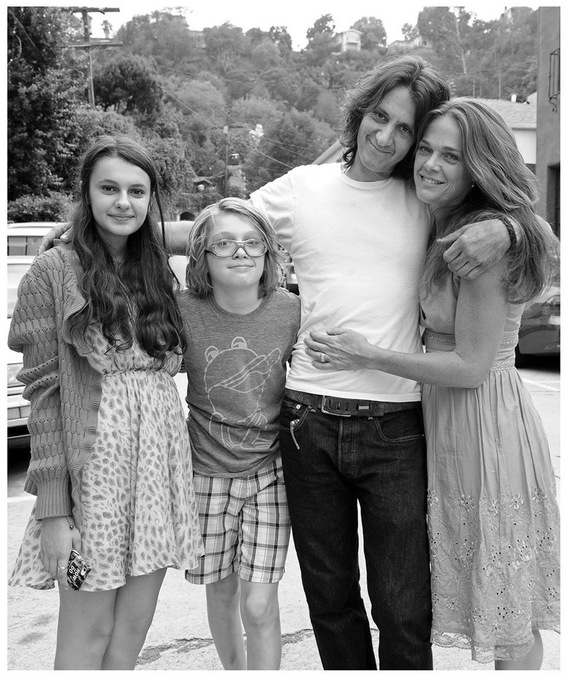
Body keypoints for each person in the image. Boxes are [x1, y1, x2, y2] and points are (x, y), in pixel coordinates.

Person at [39, 57, 517, 670]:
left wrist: (508, 229)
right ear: (360, 113)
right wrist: (85, 230)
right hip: (306, 421)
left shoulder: (426, 194)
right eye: (379, 117)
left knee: (402, 605)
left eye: (406, 129)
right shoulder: (302, 188)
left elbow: (520, 215)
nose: (387, 137)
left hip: (396, 422)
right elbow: (218, 229)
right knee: (331, 600)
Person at [305, 98, 561, 669]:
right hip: (447, 422)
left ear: (479, 168)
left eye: (452, 156)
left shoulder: (479, 245)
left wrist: (369, 354)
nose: (430, 164)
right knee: (487, 593)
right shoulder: (445, 221)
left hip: (486, 425)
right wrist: (512, 226)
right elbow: (538, 228)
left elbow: (470, 366)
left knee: (509, 613)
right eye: (425, 149)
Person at [8, 135, 204, 670]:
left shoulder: (157, 271)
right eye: (109, 188)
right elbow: (44, 397)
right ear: (86, 193)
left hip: (158, 473)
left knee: (132, 631)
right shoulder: (54, 270)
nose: (123, 202)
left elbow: (229, 229)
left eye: (137, 191)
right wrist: (54, 513)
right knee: (86, 634)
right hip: (93, 479)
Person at [178, 198, 301, 669]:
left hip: (270, 472)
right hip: (204, 473)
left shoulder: (290, 311)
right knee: (221, 592)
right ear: (202, 257)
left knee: (259, 603)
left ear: (268, 252)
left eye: (252, 242)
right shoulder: (182, 310)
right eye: (224, 243)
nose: (241, 252)